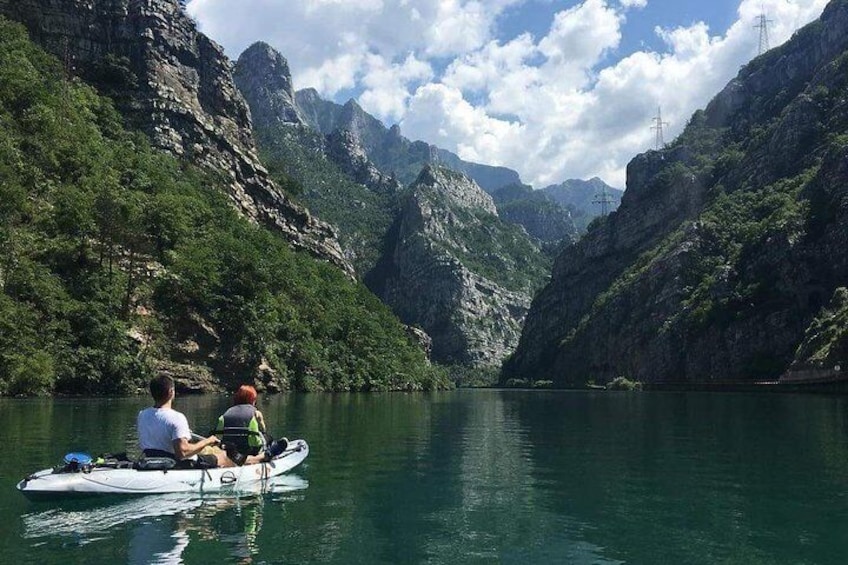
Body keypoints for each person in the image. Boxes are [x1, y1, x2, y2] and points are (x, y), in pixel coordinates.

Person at [137, 375, 283, 468]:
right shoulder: (176, 417)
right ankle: (262, 457)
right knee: (228, 456)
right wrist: (208, 441)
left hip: (153, 459)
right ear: (171, 393)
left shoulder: (142, 414)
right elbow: (182, 452)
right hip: (179, 463)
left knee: (210, 450)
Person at [215, 385, 288, 463]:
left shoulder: (225, 414)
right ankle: (270, 452)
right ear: (252, 399)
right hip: (250, 450)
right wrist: (261, 420)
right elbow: (262, 431)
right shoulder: (255, 412)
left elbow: (218, 437)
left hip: (229, 450)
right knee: (268, 437)